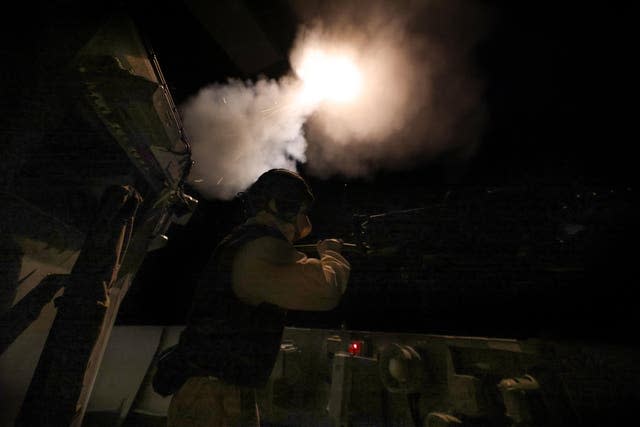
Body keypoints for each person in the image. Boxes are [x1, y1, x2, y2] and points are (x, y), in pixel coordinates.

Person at [163, 169, 350, 427]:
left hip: (219, 391)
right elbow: (326, 290)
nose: (304, 220)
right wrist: (331, 254)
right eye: (301, 210)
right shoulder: (262, 246)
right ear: (279, 205)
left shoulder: (244, 241)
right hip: (215, 398)